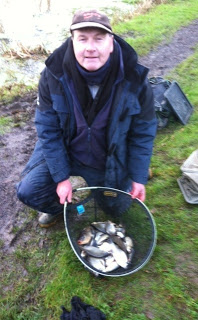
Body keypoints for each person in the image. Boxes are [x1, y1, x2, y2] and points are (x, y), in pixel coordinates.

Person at [16, 9, 157, 227]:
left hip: (108, 158)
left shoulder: (135, 78)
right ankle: (61, 208)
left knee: (117, 209)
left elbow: (143, 132)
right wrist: (62, 178)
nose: (90, 48)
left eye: (98, 39)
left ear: (111, 43)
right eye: (82, 39)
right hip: (68, 152)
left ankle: (132, 172)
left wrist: (138, 176)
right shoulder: (52, 75)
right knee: (29, 191)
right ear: (72, 42)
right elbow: (47, 129)